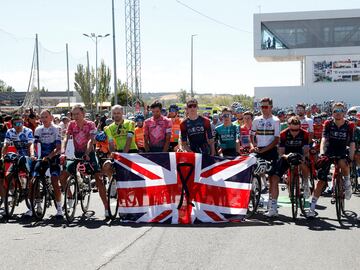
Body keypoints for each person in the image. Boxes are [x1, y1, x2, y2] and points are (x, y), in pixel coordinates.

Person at [60, 105, 109, 218]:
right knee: (62, 177)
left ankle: (106, 207)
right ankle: (71, 197)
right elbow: (66, 138)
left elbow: (91, 141)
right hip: (77, 155)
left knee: (98, 179)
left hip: (89, 154)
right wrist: (63, 152)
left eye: (77, 114)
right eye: (73, 114)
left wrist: (87, 154)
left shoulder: (90, 124)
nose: (75, 116)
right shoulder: (71, 124)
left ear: (83, 113)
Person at [308, 102, 355, 218]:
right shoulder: (328, 123)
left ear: (344, 112)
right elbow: (324, 139)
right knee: (321, 180)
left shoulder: (349, 125)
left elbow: (352, 143)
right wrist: (322, 153)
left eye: (340, 111)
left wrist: (351, 157)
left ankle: (347, 183)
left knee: (343, 163)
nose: (338, 113)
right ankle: (312, 207)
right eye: (335, 111)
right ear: (332, 113)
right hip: (330, 150)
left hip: (342, 150)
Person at [250, 97, 280, 217]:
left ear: (271, 107)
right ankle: (253, 195)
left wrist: (265, 149)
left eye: (266, 106)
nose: (263, 109)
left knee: (273, 179)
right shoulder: (256, 120)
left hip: (271, 151)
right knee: (251, 170)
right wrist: (253, 145)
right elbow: (251, 134)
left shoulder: (275, 120)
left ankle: (273, 207)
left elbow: (276, 139)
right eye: (261, 106)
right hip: (259, 149)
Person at [1, 114, 36, 217]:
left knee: (31, 180)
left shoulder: (27, 131)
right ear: (12, 124)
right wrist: (2, 156)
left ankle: (32, 198)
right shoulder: (10, 132)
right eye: (16, 123)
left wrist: (32, 155)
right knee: (8, 176)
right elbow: (6, 145)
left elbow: (30, 145)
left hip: (29, 156)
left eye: (20, 123)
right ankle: (14, 192)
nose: (19, 125)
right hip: (18, 156)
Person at [273, 116, 311, 204]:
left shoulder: (304, 133)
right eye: (292, 130)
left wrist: (304, 157)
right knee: (279, 174)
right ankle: (290, 188)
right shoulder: (283, 134)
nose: (295, 132)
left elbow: (306, 150)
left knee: (303, 163)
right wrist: (287, 156)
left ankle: (305, 183)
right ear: (288, 126)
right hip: (287, 153)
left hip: (299, 152)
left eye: (297, 130)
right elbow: (281, 152)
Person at [33, 110, 63, 217]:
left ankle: (59, 209)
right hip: (42, 157)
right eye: (42, 117)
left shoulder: (57, 128)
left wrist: (49, 156)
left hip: (54, 156)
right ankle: (38, 205)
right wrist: (34, 155)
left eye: (46, 117)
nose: (44, 119)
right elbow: (35, 145)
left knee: (55, 181)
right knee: (34, 179)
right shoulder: (38, 129)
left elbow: (58, 147)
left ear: (51, 117)